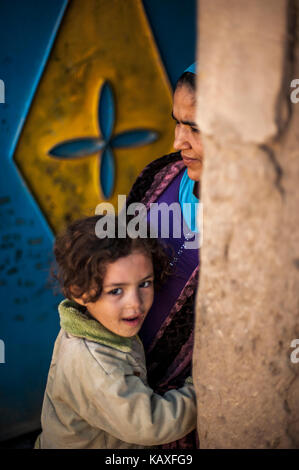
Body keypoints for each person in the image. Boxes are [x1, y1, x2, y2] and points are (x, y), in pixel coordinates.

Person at [35, 215, 196, 449]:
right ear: (79, 292)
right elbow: (153, 424)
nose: (135, 304)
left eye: (145, 284)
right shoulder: (97, 367)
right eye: (116, 291)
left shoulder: (91, 323)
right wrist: (199, 392)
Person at [126, 63, 202, 449]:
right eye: (177, 123)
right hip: (119, 377)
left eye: (196, 128)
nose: (178, 142)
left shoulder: (273, 226)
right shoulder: (161, 177)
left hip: (183, 415)